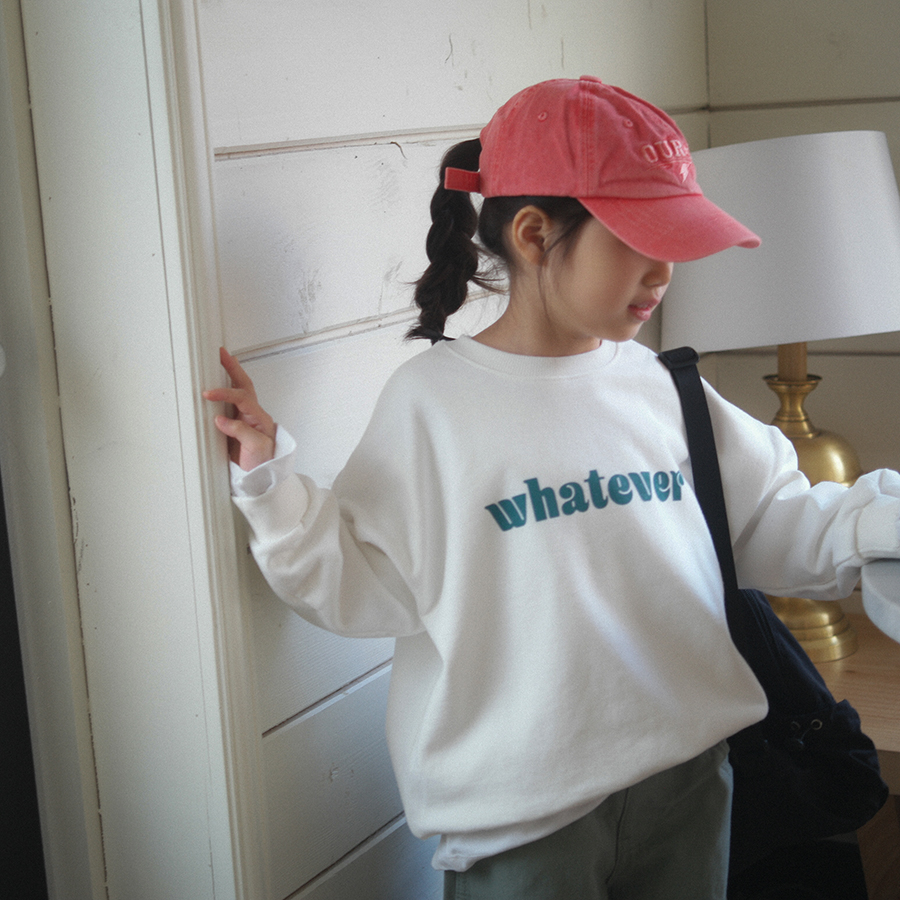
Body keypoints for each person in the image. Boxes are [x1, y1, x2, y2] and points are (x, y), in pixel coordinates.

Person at [203, 77, 900, 899]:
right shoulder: (436, 405)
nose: (665, 271)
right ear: (534, 234)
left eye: (675, 243)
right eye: (640, 241)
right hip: (523, 819)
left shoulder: (663, 387)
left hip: (688, 785)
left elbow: (775, 520)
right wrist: (270, 482)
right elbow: (363, 586)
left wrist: (877, 520)